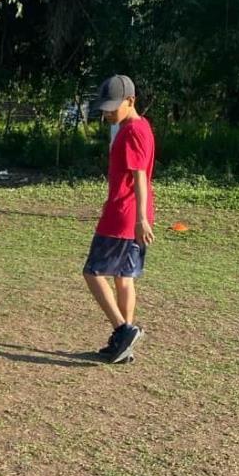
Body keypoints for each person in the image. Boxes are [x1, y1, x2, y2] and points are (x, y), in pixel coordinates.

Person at [84, 75, 155, 364]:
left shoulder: (131, 132)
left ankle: (123, 330)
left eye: (113, 107)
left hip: (123, 216)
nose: (108, 113)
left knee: (93, 272)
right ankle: (123, 345)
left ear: (131, 101)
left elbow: (139, 176)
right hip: (131, 214)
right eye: (105, 108)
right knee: (124, 279)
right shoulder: (141, 127)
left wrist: (139, 218)